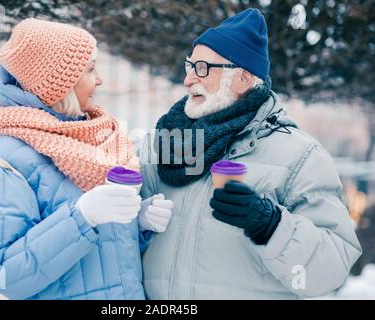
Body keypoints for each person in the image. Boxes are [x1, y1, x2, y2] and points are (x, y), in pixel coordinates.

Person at [139, 8, 361, 299]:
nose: (188, 80)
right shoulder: (164, 144)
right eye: (189, 66)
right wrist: (137, 219)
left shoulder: (301, 156)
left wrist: (271, 226)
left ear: (242, 80)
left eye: (203, 68)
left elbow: (329, 273)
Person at [0, 18, 173, 300]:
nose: (100, 80)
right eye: (90, 70)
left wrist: (135, 223)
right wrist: (82, 216)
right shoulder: (6, 161)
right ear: (58, 84)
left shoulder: (95, 141)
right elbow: (3, 274)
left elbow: (98, 266)